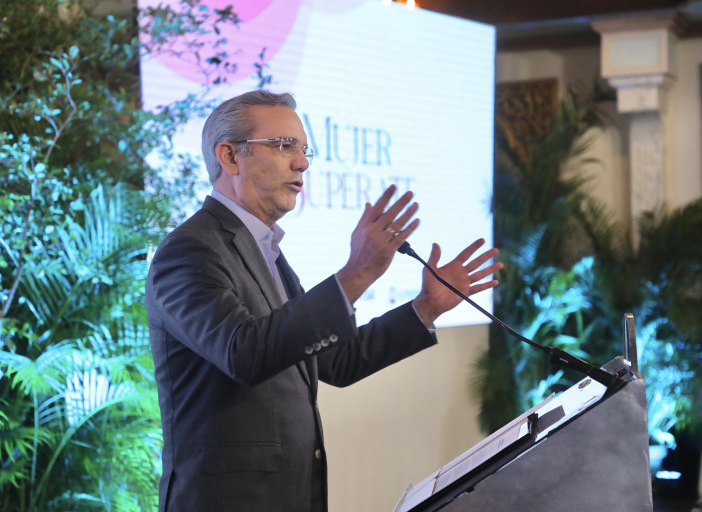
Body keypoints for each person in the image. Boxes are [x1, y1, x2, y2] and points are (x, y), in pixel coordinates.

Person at [145, 90, 502, 512]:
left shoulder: (265, 251)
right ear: (230, 156)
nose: (302, 163)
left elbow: (336, 361)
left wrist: (425, 307)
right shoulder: (190, 250)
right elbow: (243, 353)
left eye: (303, 149)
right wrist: (357, 273)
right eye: (284, 146)